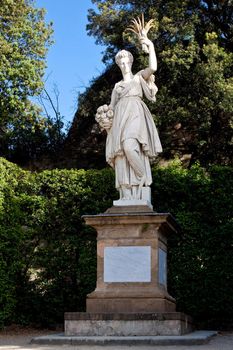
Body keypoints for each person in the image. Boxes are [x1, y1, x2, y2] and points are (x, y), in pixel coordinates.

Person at [96, 36, 162, 202]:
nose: (124, 65)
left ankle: (142, 177)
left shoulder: (138, 77)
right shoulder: (117, 86)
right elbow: (111, 107)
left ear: (131, 62)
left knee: (129, 146)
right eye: (121, 63)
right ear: (118, 65)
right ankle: (128, 192)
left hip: (136, 114)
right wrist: (103, 117)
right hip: (120, 117)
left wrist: (150, 46)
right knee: (122, 156)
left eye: (126, 62)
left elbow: (152, 67)